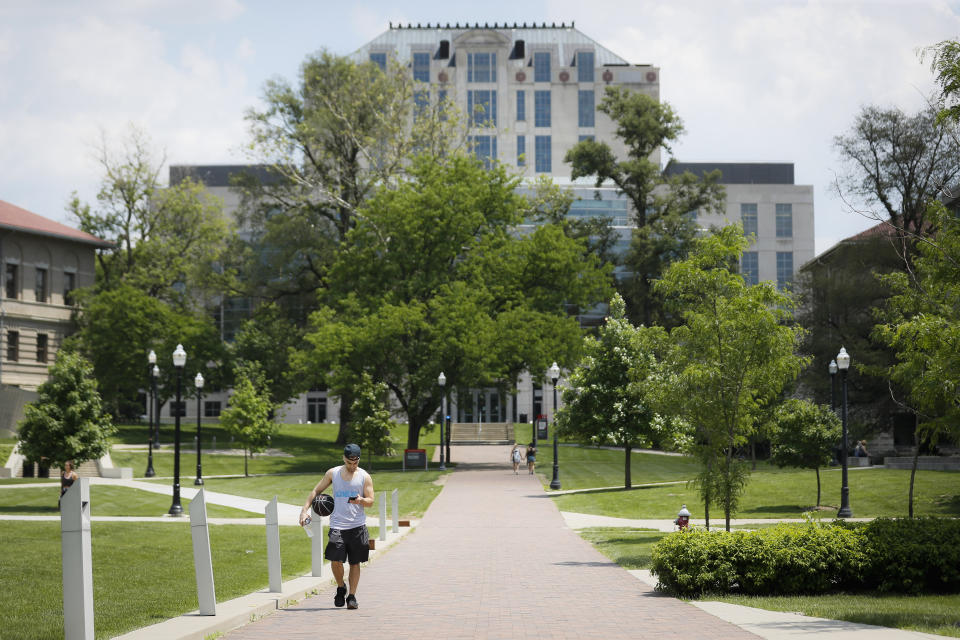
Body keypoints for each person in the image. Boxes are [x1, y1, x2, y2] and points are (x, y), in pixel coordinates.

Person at [300, 444, 374, 610]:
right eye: (349, 462)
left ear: (358, 460)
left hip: (357, 526)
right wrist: (304, 511)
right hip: (337, 526)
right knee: (335, 560)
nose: (352, 466)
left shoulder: (364, 476)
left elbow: (371, 501)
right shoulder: (333, 473)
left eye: (355, 463)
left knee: (355, 563)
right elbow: (315, 491)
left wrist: (361, 500)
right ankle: (341, 587)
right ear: (344, 459)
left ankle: (352, 596)